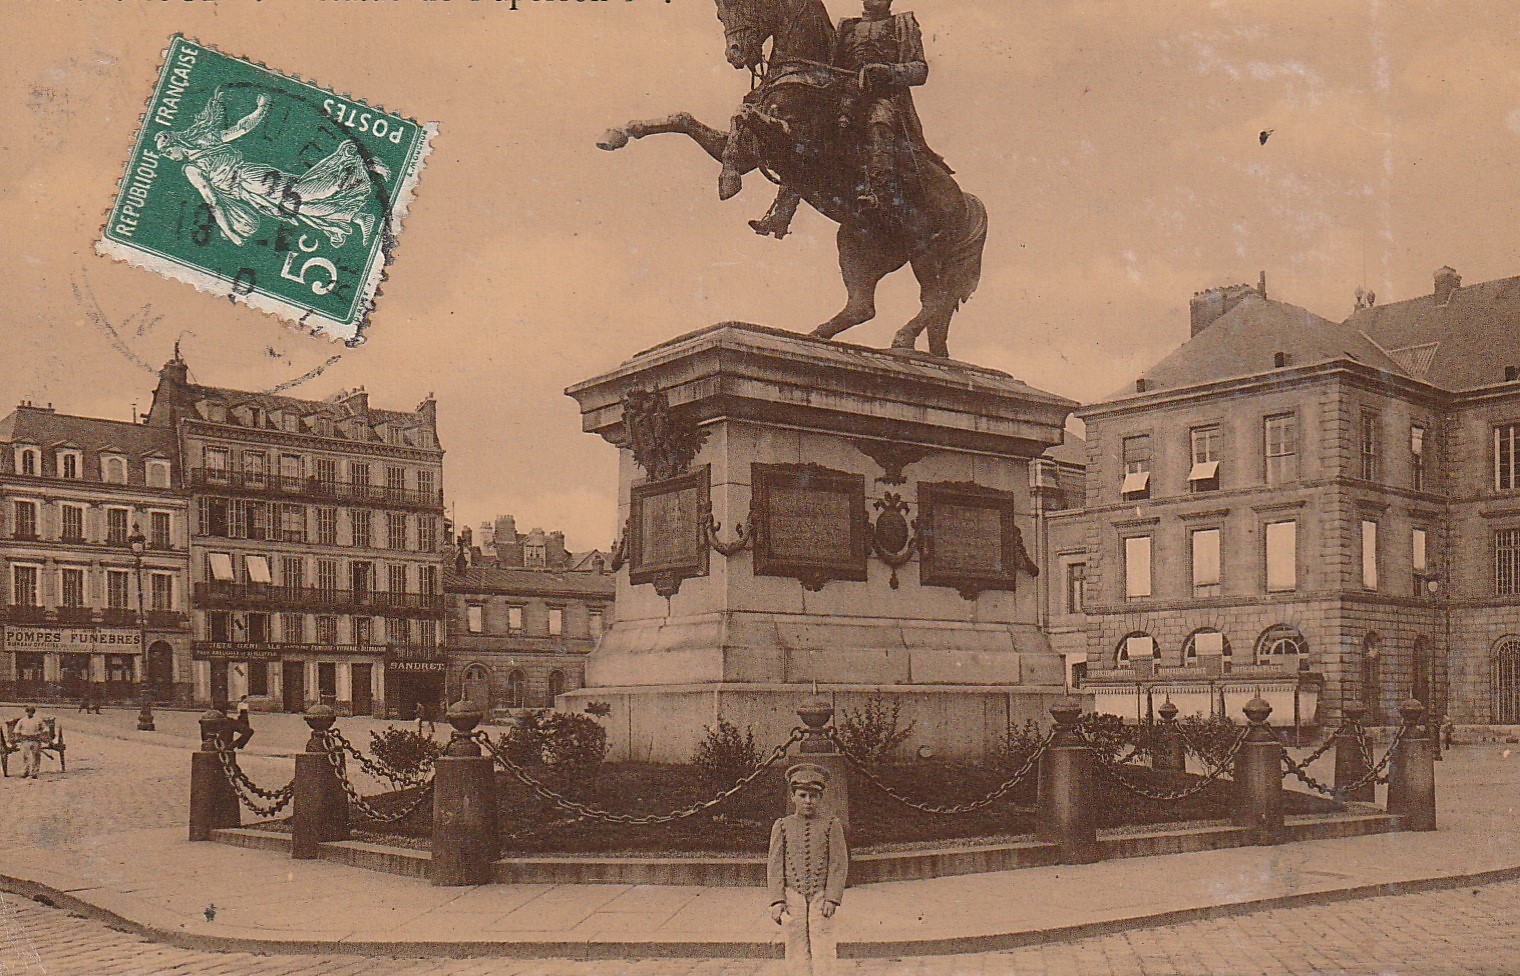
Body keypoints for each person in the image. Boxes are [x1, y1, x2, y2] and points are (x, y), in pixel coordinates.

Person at [768, 763, 848, 976]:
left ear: (821, 798)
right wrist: (777, 900)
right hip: (792, 894)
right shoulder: (782, 826)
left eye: (813, 796)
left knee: (823, 940)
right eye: (802, 795)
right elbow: (775, 865)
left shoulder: (831, 825)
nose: (808, 801)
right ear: (793, 797)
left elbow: (838, 864)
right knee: (795, 942)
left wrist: (832, 897)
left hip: (821, 895)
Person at [13, 706, 50, 781]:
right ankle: (25, 771)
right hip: (25, 740)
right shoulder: (22, 720)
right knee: (25, 756)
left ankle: (34, 772)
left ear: (33, 712)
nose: (30, 713)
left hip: (35, 740)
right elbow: (16, 730)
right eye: (28, 711)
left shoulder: (38, 720)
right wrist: (18, 737)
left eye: (31, 711)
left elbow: (46, 728)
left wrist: (42, 733)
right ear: (26, 712)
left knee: (36, 756)